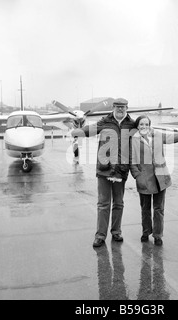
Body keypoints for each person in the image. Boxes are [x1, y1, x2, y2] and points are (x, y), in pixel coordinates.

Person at [71, 98, 136, 247]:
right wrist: (77, 131)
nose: (120, 109)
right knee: (103, 204)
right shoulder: (105, 122)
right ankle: (100, 235)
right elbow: (90, 130)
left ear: (127, 108)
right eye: (118, 107)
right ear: (113, 108)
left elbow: (146, 131)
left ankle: (116, 232)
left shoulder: (131, 124)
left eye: (123, 107)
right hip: (104, 170)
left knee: (118, 204)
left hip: (120, 171)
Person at [130, 115, 178, 246]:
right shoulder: (134, 140)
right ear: (137, 126)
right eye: (141, 124)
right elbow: (132, 161)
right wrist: (137, 176)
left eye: (146, 124)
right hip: (144, 179)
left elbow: (170, 138)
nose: (144, 127)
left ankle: (158, 235)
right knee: (145, 208)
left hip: (160, 178)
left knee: (159, 209)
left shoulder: (157, 135)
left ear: (150, 125)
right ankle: (146, 232)